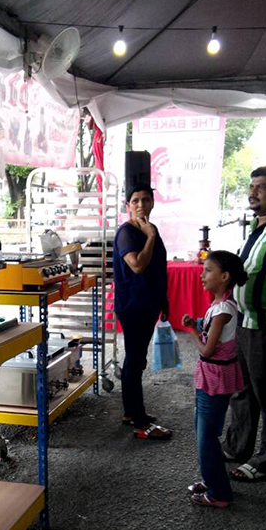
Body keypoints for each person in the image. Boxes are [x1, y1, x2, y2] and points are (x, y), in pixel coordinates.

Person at [223, 165, 266, 481]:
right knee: (241, 390)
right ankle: (237, 447)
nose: (253, 192)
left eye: (261, 187)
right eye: (251, 186)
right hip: (244, 323)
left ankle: (265, 463)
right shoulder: (258, 225)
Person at [182, 251, 247, 507]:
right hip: (212, 377)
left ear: (224, 276)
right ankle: (212, 479)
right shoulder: (219, 305)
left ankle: (219, 493)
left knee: (206, 436)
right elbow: (210, 331)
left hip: (215, 378)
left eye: (208, 270)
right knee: (204, 431)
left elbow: (207, 350)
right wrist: (197, 324)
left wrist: (192, 332)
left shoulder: (223, 310)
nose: (202, 275)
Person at [113, 183, 172, 440]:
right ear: (128, 205)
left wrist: (164, 301)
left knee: (136, 360)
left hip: (149, 303)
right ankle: (140, 423)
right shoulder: (127, 233)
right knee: (135, 361)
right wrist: (149, 237)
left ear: (152, 203)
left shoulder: (150, 229)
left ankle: (131, 412)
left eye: (145, 200)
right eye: (135, 200)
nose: (141, 205)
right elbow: (137, 265)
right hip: (134, 306)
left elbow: (158, 268)